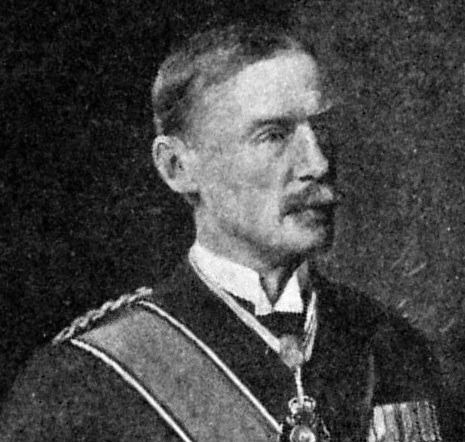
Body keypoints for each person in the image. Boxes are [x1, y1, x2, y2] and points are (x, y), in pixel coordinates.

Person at [0, 22, 450, 441]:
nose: (317, 164)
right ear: (176, 167)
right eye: (273, 136)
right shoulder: (85, 380)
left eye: (322, 129)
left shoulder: (394, 350)